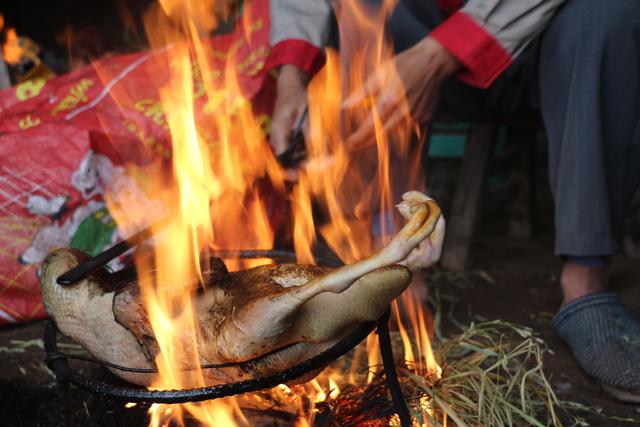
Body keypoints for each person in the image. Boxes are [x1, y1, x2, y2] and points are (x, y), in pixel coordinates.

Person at [265, 0, 640, 403]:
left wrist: (441, 54)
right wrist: (293, 78)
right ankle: (394, 252)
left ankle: (584, 282)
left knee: (607, 11)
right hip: (419, 50)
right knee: (364, 10)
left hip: (550, 51)